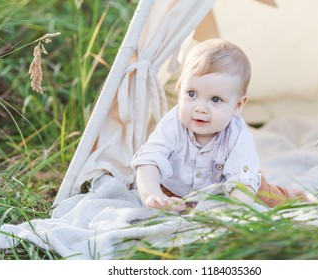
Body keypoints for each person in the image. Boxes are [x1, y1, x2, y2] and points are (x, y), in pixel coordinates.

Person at [132, 39, 308, 211]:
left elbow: (241, 179)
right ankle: (179, 205)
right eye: (191, 94)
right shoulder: (172, 124)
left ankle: (289, 197)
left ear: (238, 105)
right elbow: (150, 159)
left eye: (215, 99)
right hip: (177, 187)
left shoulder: (237, 135)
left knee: (261, 192)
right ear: (179, 90)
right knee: (165, 192)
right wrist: (152, 194)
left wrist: (236, 208)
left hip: (227, 189)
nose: (200, 108)